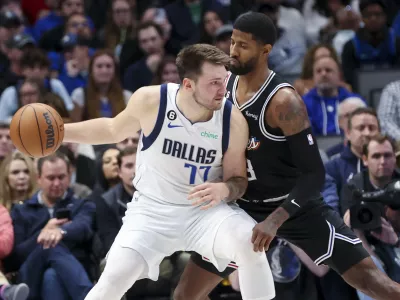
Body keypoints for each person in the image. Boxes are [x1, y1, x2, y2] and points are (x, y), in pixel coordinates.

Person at [173, 12, 400, 300]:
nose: (233, 51)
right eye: (232, 42)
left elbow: (314, 174)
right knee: (184, 295)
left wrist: (275, 220)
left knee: (372, 283)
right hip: (240, 206)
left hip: (295, 208)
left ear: (265, 51)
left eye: (243, 45)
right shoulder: (223, 87)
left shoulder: (284, 102)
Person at [63, 43, 275, 300]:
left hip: (204, 213)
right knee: (112, 280)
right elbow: (111, 130)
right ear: (188, 85)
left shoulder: (232, 119)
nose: (223, 90)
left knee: (250, 244)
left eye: (225, 80)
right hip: (152, 212)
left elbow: (238, 181)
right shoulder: (152, 100)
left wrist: (225, 188)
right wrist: (61, 133)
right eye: (214, 83)